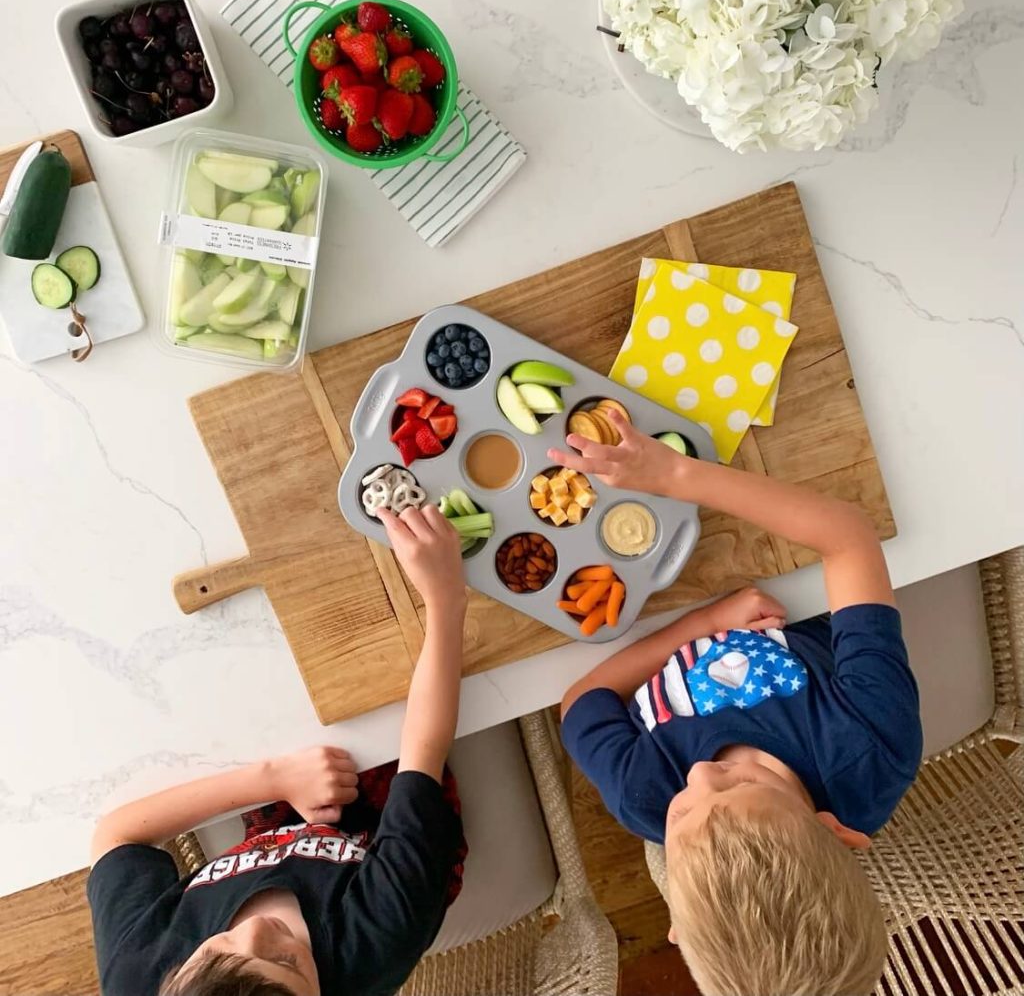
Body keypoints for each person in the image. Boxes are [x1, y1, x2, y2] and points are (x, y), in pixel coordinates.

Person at [551, 410, 921, 996]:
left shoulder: (643, 792)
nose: (696, 773)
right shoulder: (874, 743)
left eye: (680, 816)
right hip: (772, 567)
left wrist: (704, 621)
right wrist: (672, 473)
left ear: (673, 919)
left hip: (660, 608)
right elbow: (848, 537)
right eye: (738, 783)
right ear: (838, 831)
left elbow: (582, 702)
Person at [87, 504, 469, 996]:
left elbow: (116, 838)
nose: (257, 929)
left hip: (276, 820)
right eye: (287, 962)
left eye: (218, 946)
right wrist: (444, 599)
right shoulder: (379, 935)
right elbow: (423, 758)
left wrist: (272, 779)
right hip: (379, 832)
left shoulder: (137, 977)